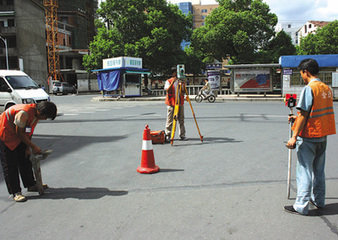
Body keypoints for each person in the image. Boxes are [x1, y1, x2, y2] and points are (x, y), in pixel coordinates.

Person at [285, 59, 336, 215]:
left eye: (301, 72)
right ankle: (319, 200)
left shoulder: (309, 89)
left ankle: (301, 205)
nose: (301, 75)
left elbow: (304, 114)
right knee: (318, 170)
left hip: (309, 136)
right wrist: (298, 118)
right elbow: (315, 112)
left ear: (305, 71)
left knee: (304, 171)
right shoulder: (326, 88)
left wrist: (294, 136)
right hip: (322, 135)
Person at [0, 101, 57, 202]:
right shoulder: (24, 113)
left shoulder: (35, 115)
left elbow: (28, 131)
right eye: (46, 117)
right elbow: (20, 133)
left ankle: (30, 184)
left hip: (18, 135)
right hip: (5, 134)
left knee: (25, 160)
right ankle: (15, 192)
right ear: (41, 113)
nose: (45, 119)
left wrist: (28, 148)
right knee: (10, 165)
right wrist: (33, 147)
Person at [164, 67, 186, 141]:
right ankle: (168, 134)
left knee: (181, 119)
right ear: (173, 73)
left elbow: (183, 91)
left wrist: (183, 84)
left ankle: (182, 135)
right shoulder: (168, 81)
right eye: (176, 72)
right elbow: (167, 90)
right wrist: (173, 82)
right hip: (171, 103)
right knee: (170, 120)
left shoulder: (181, 81)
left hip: (180, 103)